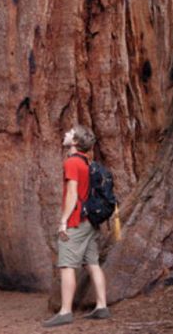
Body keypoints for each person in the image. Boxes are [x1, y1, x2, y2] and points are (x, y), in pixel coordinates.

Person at [42, 125, 110, 328]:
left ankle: (65, 312)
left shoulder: (72, 162)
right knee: (92, 263)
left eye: (70, 133)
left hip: (76, 220)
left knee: (67, 265)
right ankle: (101, 306)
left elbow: (72, 194)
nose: (65, 134)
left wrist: (64, 221)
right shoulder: (87, 162)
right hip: (90, 221)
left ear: (76, 142)